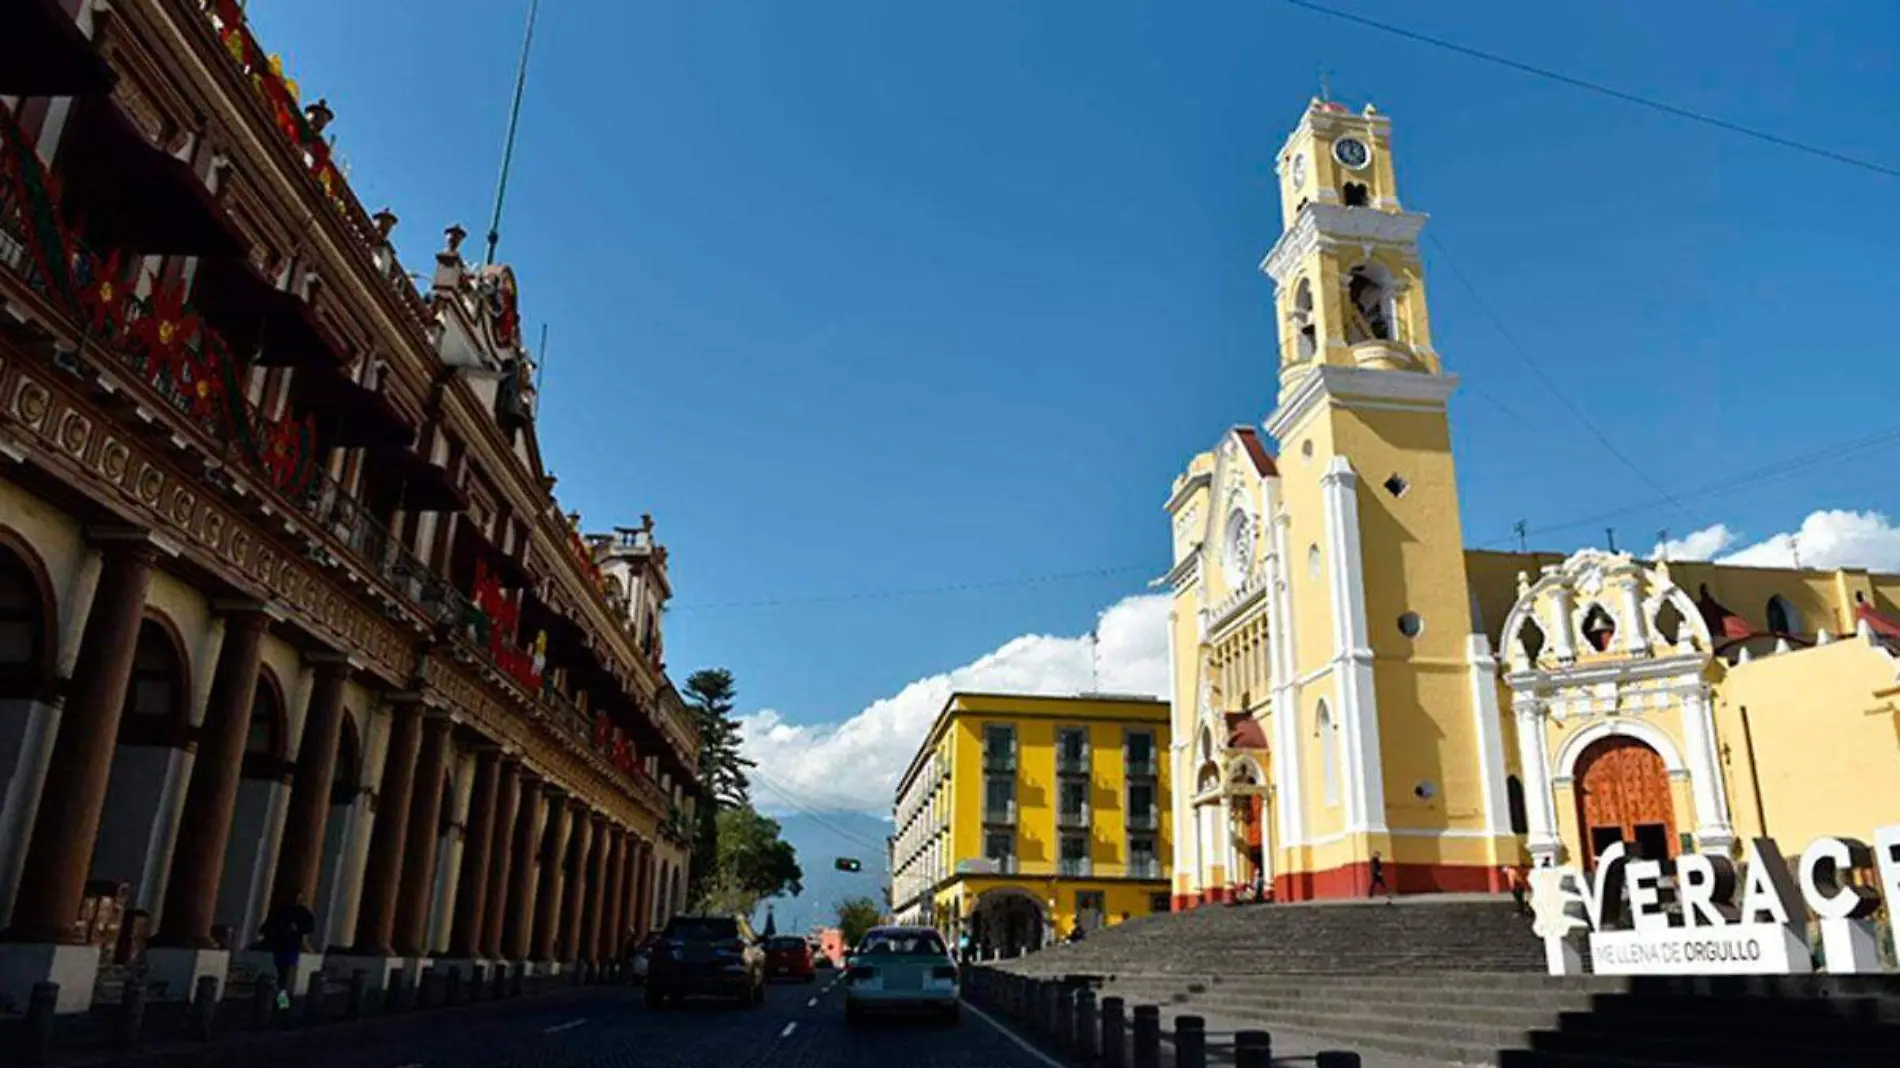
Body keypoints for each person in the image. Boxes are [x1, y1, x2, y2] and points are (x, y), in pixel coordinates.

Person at [258, 900, 316, 1009]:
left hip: (279, 948)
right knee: (283, 979)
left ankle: (279, 1002)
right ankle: (281, 1003)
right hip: (288, 949)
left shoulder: (280, 912)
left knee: (280, 978)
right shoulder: (298, 914)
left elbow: (266, 929)